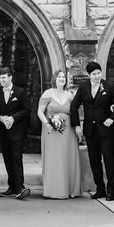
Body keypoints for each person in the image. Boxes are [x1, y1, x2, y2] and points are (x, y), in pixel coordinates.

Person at [70, 61, 114, 201]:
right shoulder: (83, 87)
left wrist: (112, 119)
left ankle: (111, 190)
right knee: (94, 160)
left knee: (108, 159)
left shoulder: (109, 86)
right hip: (90, 130)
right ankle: (100, 189)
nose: (97, 76)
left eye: (99, 73)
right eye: (94, 74)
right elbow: (74, 106)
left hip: (106, 130)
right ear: (89, 75)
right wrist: (76, 125)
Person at [37, 69, 82, 199]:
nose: (62, 79)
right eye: (59, 77)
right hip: (52, 131)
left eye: (63, 77)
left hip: (68, 132)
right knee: (54, 158)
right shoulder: (48, 93)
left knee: (68, 157)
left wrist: (78, 127)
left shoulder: (70, 95)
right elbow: (40, 112)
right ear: (54, 79)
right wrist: (47, 124)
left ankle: (71, 189)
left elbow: (74, 113)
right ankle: (53, 189)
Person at [0, 67, 30, 200]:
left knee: (16, 159)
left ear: (10, 77)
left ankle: (20, 187)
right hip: (3, 133)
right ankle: (12, 186)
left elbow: (26, 110)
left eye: (4, 77)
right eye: (0, 78)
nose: (1, 80)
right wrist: (1, 118)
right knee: (7, 159)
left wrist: (13, 118)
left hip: (17, 132)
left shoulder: (20, 92)